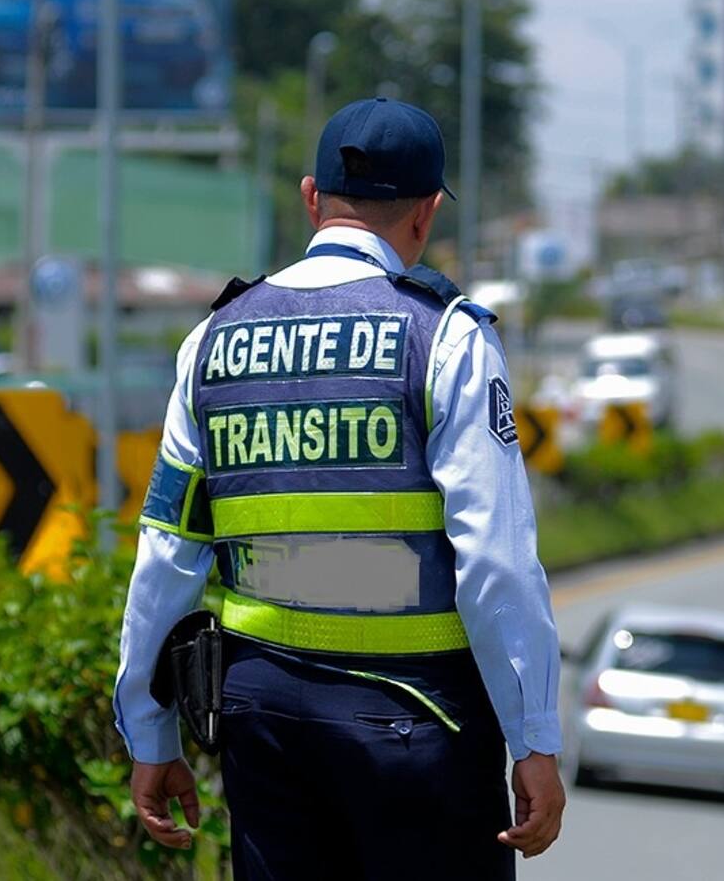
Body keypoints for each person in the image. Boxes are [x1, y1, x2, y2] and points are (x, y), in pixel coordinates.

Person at [113, 96, 565, 878]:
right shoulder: (447, 336)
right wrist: (534, 738)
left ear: (311, 199)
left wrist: (148, 734)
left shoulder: (212, 341)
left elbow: (168, 554)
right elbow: (495, 562)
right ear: (425, 215)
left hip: (263, 722)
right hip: (419, 726)